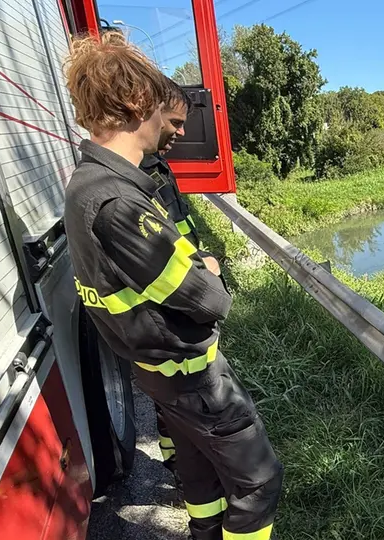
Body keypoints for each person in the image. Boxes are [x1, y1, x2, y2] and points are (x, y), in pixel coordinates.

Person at [62, 31, 302, 540]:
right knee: (259, 477)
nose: (173, 130)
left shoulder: (92, 186)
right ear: (135, 103)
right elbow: (209, 298)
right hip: (190, 374)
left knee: (198, 474)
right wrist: (210, 272)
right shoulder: (117, 203)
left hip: (159, 372)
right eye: (165, 115)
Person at [138, 77, 215, 492]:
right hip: (171, 312)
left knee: (173, 407)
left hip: (183, 295)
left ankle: (181, 465)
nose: (182, 133)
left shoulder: (155, 164)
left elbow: (177, 230)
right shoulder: (136, 176)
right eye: (175, 122)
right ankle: (183, 469)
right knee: (179, 406)